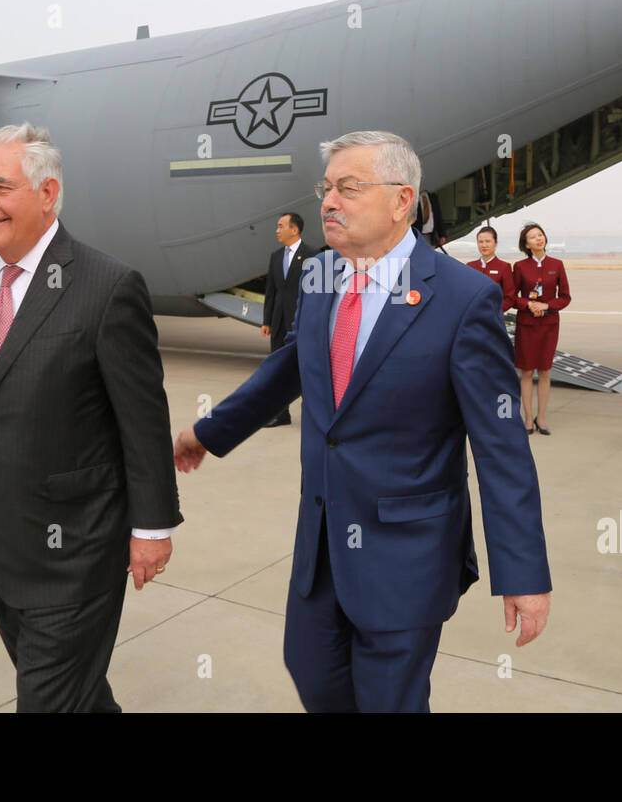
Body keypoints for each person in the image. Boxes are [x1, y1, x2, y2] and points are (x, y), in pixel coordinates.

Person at [173, 130, 551, 712]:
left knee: (389, 702)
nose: (328, 202)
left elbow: (500, 446)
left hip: (408, 557)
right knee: (313, 675)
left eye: (349, 188)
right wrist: (209, 430)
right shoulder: (321, 278)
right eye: (326, 188)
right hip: (322, 549)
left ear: (403, 201)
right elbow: (288, 366)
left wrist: (522, 570)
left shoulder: (462, 298)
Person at [0, 123, 181, 712]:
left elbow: (143, 423)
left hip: (75, 554)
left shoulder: (107, 287)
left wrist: (153, 527)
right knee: (77, 696)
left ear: (48, 193)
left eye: (0, 186)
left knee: (48, 700)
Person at [261, 212, 318, 426]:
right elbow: (271, 292)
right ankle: (281, 414)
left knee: (305, 368)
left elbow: (316, 292)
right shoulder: (275, 256)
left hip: (302, 322)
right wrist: (266, 321)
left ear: (294, 230)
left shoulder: (312, 255)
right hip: (278, 322)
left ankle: (312, 415)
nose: (277, 230)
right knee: (278, 370)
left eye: (280, 226)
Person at [512, 222, 570, 435]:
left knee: (545, 371)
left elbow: (565, 297)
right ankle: (528, 418)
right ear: (526, 244)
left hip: (548, 325)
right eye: (533, 237)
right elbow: (512, 297)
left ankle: (541, 418)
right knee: (526, 372)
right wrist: (528, 304)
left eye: (540, 235)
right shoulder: (520, 267)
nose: (538, 239)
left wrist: (547, 305)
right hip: (527, 325)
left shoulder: (557, 264)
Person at [466, 225, 516, 312]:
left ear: (495, 243)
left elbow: (509, 297)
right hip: (472, 317)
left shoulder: (504, 267)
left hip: (493, 318)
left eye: (488, 241)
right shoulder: (470, 266)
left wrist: (495, 312)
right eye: (480, 242)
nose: (484, 245)